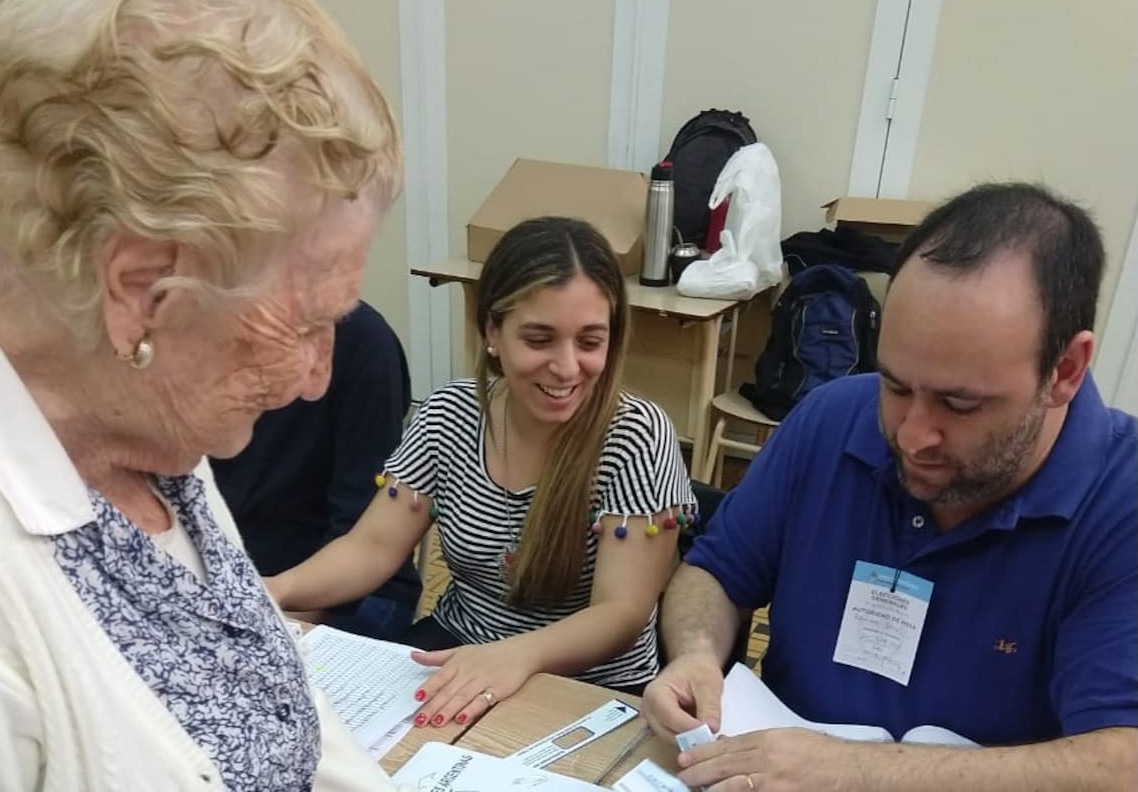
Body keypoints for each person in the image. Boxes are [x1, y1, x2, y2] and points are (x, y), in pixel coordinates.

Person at [0, 0, 406, 790]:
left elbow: (268, 705)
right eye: (304, 325)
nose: (318, 375)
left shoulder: (141, 414)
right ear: (141, 292)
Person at [642, 182, 1138, 791]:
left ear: (1064, 371)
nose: (911, 435)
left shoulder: (1121, 502)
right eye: (897, 385)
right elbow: (716, 572)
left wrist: (856, 772)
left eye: (959, 403)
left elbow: (1121, 764)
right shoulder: (832, 419)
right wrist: (696, 654)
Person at [269, 216, 697, 728]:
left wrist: (520, 655)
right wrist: (273, 590)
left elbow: (620, 612)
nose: (566, 367)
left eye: (589, 342)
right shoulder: (450, 414)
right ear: (492, 330)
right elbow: (373, 547)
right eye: (540, 339)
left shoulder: (637, 434)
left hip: (591, 686)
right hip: (459, 650)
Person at [211, 300, 421, 640]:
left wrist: (270, 613)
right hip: (231, 587)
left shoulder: (363, 342)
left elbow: (362, 542)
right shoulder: (184, 334)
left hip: (342, 591)